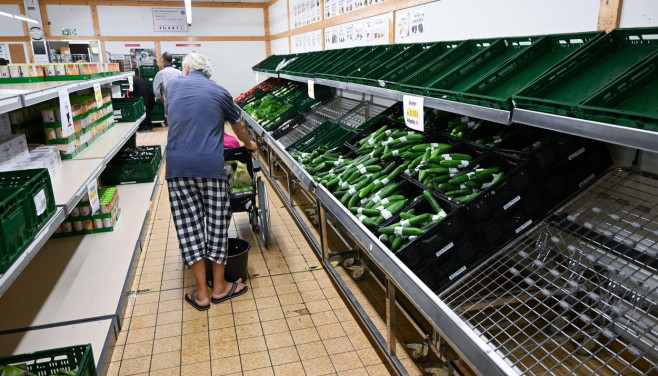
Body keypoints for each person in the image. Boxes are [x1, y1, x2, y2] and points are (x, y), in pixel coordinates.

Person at [165, 52, 257, 311]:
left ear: (185, 69)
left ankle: (202, 294)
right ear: (208, 72)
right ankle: (220, 287)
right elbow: (238, 126)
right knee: (217, 226)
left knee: (188, 227)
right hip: (211, 168)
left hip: (177, 168)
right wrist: (248, 144)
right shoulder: (220, 91)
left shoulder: (172, 86)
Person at [153, 51, 182, 119]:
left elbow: (156, 91)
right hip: (180, 100)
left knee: (171, 121)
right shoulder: (179, 72)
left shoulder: (160, 74)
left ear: (163, 60)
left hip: (168, 101)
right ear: (171, 60)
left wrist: (161, 98)